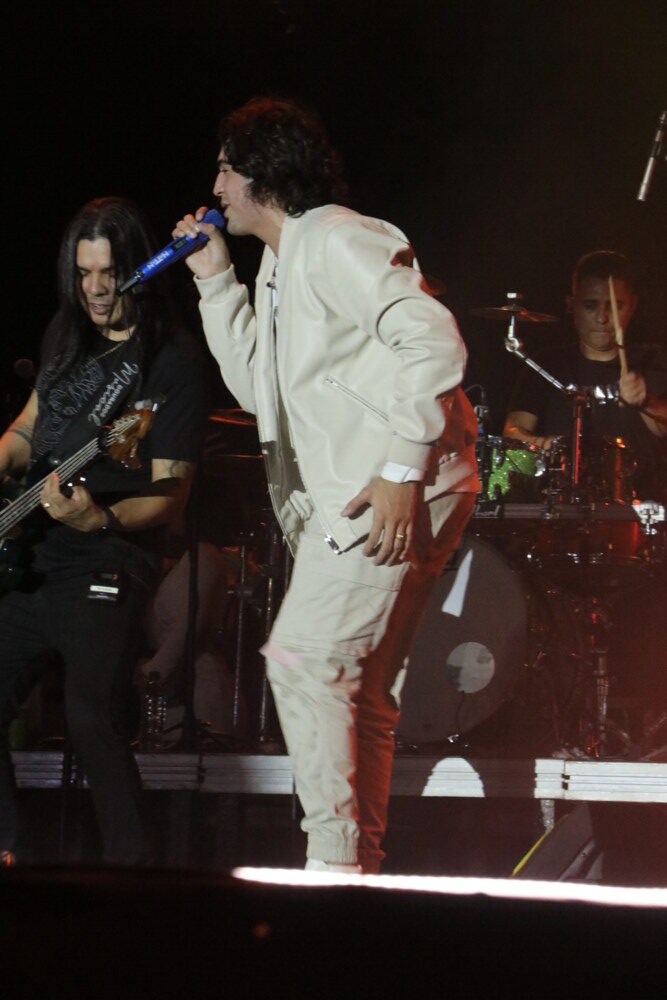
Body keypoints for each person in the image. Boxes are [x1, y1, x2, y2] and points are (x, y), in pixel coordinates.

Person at [173, 96, 479, 874]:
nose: (214, 186)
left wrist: (400, 468)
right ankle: (352, 868)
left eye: (224, 168)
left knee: (307, 660)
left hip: (390, 483)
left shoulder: (337, 238)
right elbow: (259, 389)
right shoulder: (283, 262)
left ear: (261, 173)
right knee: (355, 687)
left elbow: (433, 340)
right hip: (380, 486)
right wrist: (215, 282)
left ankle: (334, 867)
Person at [0, 197, 209, 866]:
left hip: (106, 552)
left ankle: (136, 878)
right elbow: (28, 428)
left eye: (109, 274)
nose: (94, 289)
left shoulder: (172, 362)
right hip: (34, 552)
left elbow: (170, 495)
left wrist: (101, 518)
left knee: (91, 717)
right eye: (83, 272)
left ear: (139, 271)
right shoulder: (66, 336)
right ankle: (10, 852)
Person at [504, 250, 667, 501]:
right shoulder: (547, 364)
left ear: (632, 306)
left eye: (615, 306)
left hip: (641, 507)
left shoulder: (654, 360)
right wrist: (550, 446)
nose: (602, 318)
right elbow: (513, 432)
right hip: (560, 505)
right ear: (571, 306)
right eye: (590, 305)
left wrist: (646, 402)